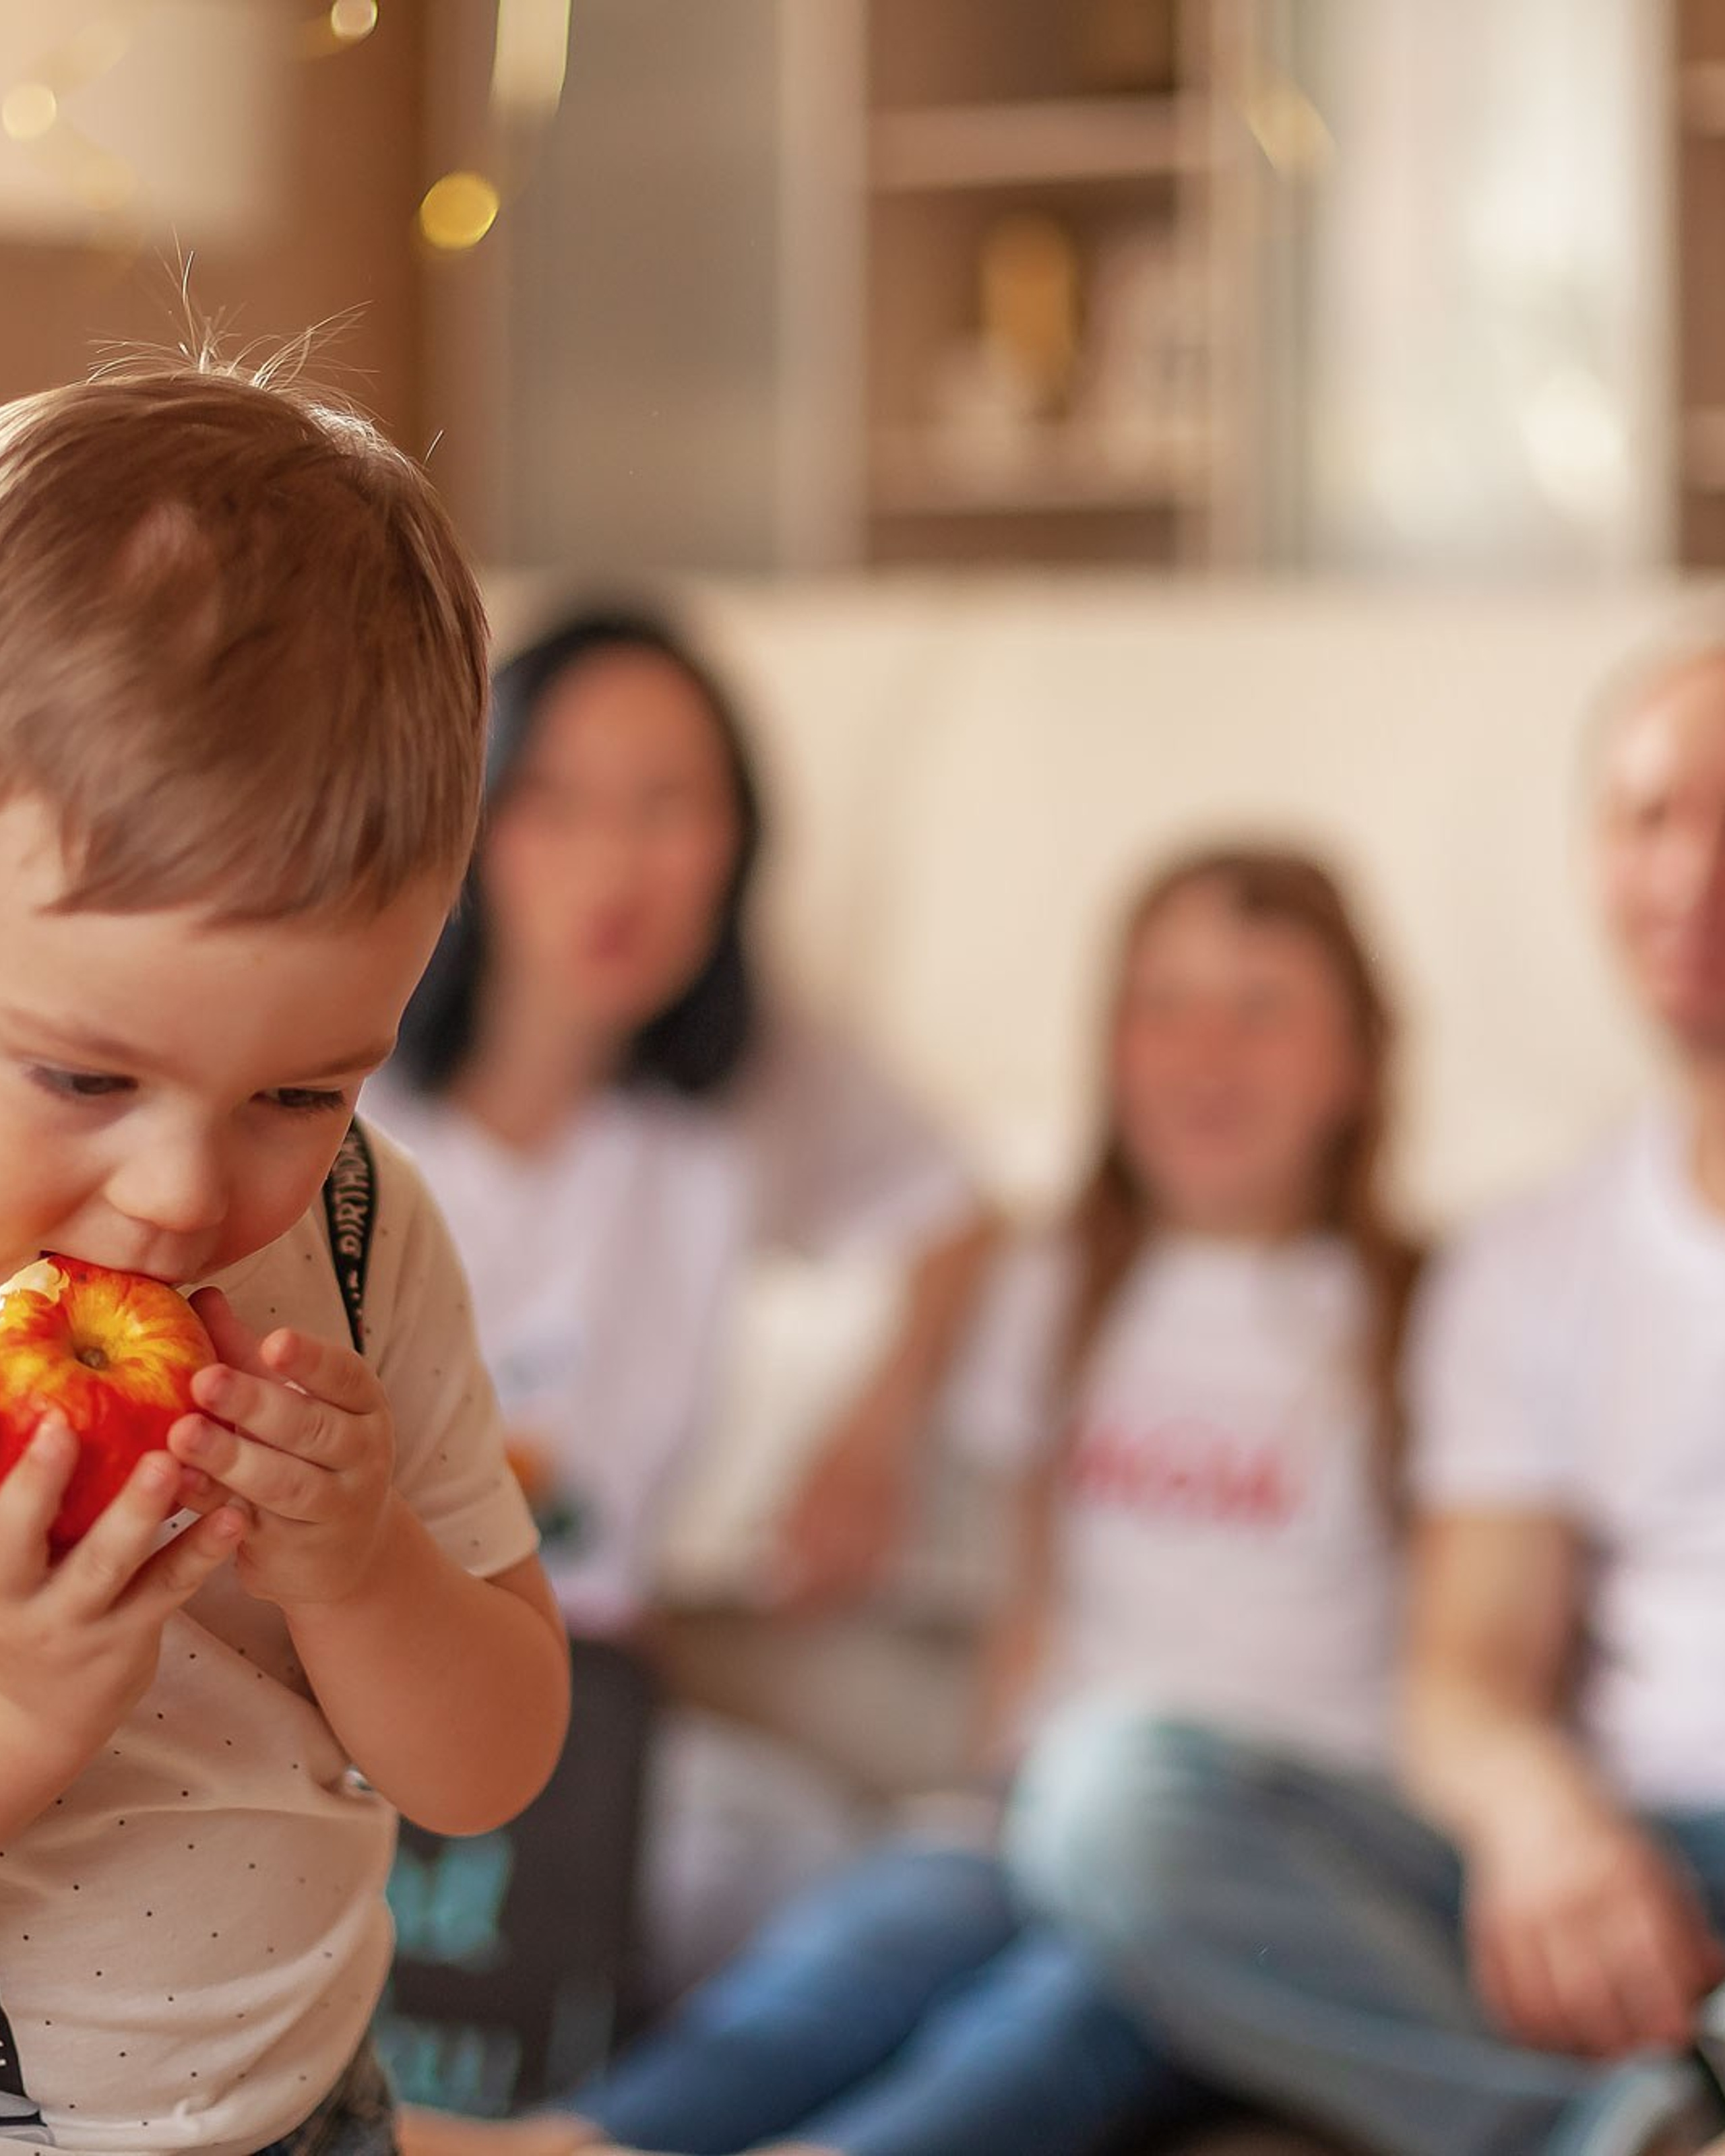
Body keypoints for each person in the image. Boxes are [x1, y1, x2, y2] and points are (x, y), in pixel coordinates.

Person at [407, 843, 1421, 2156]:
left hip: (1256, 1852)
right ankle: (580, 2141)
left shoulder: (1413, 1313)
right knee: (870, 1938)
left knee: (1071, 1998)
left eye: (1260, 1009)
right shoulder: (1062, 1288)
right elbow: (1031, 1606)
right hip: (1039, 1814)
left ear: (1356, 1061)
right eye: (1162, 1006)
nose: (1205, 1053)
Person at [1009, 640, 1725, 2156]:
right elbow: (1466, 1671)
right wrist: (1537, 1813)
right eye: (1652, 817)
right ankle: (1622, 2132)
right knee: (1108, 1798)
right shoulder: (1532, 1266)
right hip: (1628, 1866)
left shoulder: (1396, 1296)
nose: (1692, 871)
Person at [0, 360, 570, 2156]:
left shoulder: (357, 1235)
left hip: (314, 2113)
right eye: (83, 1075)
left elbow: (488, 1765)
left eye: (301, 1090)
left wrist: (366, 1567)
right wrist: (19, 1723)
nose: (181, 1191)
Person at [367, 608, 993, 2030]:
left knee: (905, 1894)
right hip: (344, 1694)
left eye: (668, 809)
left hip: (582, 1716)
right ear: (472, 822)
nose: (615, 867)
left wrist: (875, 1428)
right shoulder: (346, 1076)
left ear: (735, 848)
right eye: (556, 803)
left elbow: (955, 1212)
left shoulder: (749, 1083)